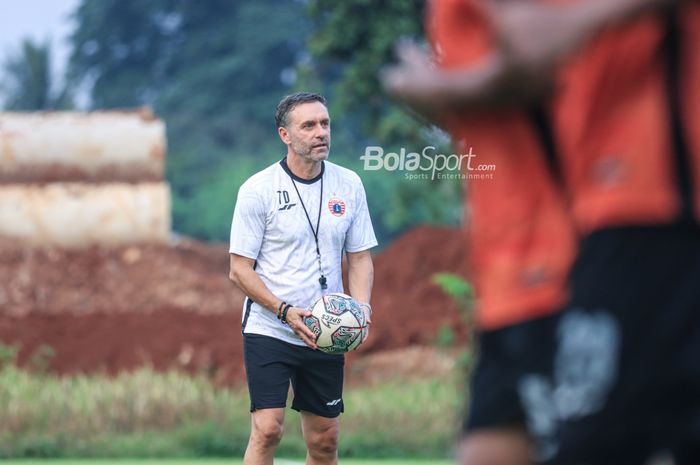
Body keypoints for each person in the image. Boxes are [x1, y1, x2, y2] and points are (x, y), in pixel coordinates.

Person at [383, 0, 700, 464]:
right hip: (513, 269)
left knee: (602, 442)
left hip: (613, 227)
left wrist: (441, 89)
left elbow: (534, 52)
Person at [228, 92, 377, 465]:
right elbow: (238, 270)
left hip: (327, 333)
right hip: (271, 327)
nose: (320, 132)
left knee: (325, 441)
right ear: (285, 135)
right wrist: (284, 311)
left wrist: (360, 310)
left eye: (324, 123)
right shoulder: (257, 190)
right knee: (268, 429)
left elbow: (359, 259)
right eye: (308, 125)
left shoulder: (350, 185)